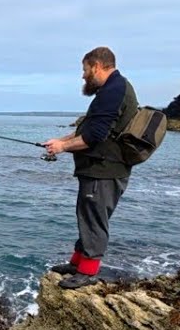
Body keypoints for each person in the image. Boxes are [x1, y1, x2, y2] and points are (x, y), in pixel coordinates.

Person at [43, 46, 138, 288]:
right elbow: (88, 130)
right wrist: (61, 141)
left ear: (97, 66)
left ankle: (87, 273)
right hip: (98, 168)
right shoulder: (113, 88)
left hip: (104, 169)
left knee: (94, 217)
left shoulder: (113, 90)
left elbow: (94, 136)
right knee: (86, 214)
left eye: (85, 69)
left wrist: (62, 148)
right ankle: (77, 263)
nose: (83, 75)